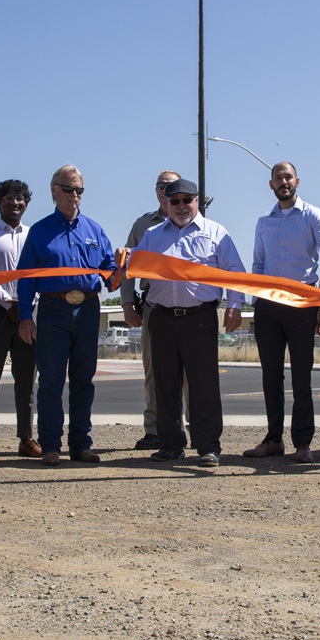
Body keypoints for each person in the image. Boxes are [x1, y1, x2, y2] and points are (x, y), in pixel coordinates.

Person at [17, 165, 123, 467]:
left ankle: (81, 444)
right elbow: (26, 278)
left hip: (88, 309)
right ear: (54, 190)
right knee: (50, 379)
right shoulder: (39, 231)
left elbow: (109, 276)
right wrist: (25, 316)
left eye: (79, 190)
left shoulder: (94, 230)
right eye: (68, 189)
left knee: (83, 380)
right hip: (52, 310)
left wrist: (119, 267)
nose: (74, 195)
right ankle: (50, 444)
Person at [135, 179, 243, 468]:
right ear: (166, 204)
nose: (181, 206)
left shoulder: (216, 233)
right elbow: (132, 265)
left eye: (187, 200)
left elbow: (235, 272)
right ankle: (171, 444)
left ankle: (208, 446)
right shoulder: (152, 235)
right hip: (161, 317)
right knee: (165, 384)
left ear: (197, 201)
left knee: (203, 385)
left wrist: (234, 306)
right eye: (175, 201)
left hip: (199, 319)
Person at [246, 162, 320, 464]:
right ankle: (273, 440)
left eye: (288, 177)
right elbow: (258, 263)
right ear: (271, 184)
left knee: (302, 376)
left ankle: (303, 443)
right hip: (268, 306)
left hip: (302, 302)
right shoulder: (264, 221)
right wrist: (257, 299)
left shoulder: (312, 215)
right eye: (278, 178)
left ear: (297, 181)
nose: (283, 182)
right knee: (271, 376)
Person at [0, 179, 40, 459]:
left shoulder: (34, 234)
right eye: (9, 198)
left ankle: (26, 437)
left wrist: (26, 305)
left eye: (20, 199)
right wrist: (6, 301)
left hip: (28, 316)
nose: (15, 203)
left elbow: (38, 274)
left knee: (26, 379)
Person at [121, 169, 182, 450]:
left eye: (169, 185)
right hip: (153, 305)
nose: (164, 189)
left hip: (190, 306)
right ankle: (154, 429)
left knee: (191, 373)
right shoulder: (143, 225)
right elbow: (126, 267)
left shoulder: (194, 221)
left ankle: (191, 428)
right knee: (153, 370)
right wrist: (127, 303)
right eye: (160, 185)